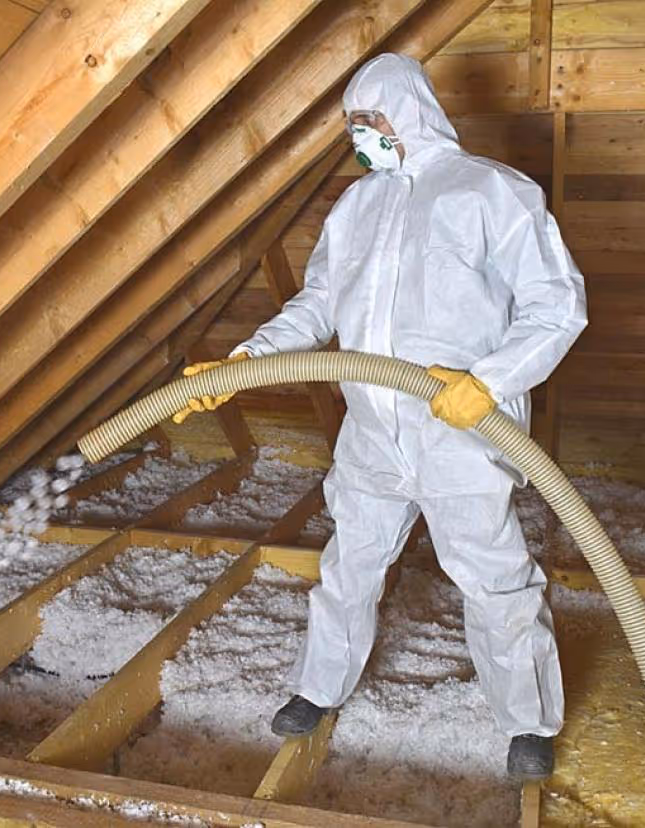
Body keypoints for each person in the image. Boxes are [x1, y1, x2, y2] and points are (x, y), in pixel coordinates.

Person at [173, 53, 587, 780]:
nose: (359, 135)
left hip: (461, 432)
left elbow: (556, 307)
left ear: (410, 113)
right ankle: (317, 688)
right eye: (352, 124)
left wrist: (487, 383)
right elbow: (318, 304)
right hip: (370, 432)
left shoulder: (491, 192)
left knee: (495, 580)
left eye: (370, 120)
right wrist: (246, 360)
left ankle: (528, 723)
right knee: (349, 565)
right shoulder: (356, 206)